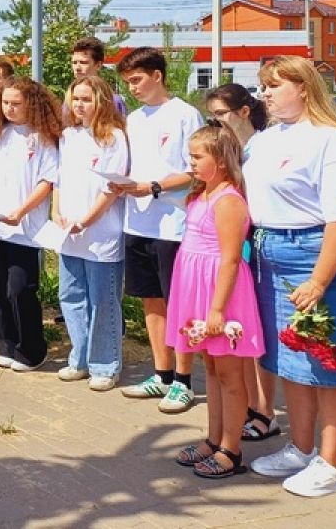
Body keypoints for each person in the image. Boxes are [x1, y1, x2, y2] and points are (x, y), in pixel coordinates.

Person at [244, 55, 336, 498]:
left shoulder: (330, 141)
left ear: (305, 88)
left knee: (325, 359)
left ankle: (333, 464)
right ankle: (300, 446)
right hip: (268, 251)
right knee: (288, 359)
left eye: (275, 85)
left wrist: (318, 280)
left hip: (311, 254)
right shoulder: (267, 138)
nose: (266, 94)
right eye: (263, 86)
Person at [169, 124, 265, 479]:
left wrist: (217, 310)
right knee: (210, 367)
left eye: (197, 156)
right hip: (196, 288)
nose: (190, 163)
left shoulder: (228, 201)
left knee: (229, 373)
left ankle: (231, 448)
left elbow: (229, 258)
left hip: (219, 295)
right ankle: (213, 437)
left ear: (222, 161)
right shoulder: (202, 195)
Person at [114, 47, 203, 412]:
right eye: (127, 82)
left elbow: (197, 169)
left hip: (173, 223)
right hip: (137, 220)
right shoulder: (134, 119)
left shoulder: (185, 115)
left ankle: (184, 381)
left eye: (136, 79)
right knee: (151, 298)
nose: (132, 88)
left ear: (157, 75)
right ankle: (161, 374)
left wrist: (154, 187)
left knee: (178, 303)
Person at [0, 77, 61, 371]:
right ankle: (7, 345)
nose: (9, 108)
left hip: (25, 230)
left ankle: (32, 350)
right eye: (5, 102)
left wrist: (22, 211)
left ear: (31, 104)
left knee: (20, 289)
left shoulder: (44, 138)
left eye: (16, 103)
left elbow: (47, 182)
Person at [206, 83, 277, 443]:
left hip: (258, 240)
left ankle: (266, 410)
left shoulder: (262, 146)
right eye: (212, 115)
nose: (215, 121)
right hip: (237, 240)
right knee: (241, 332)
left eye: (221, 114)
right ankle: (250, 405)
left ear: (244, 112)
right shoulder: (228, 147)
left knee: (256, 332)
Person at [55, 75, 128, 391]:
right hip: (68, 232)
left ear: (101, 100)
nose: (79, 105)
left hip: (101, 232)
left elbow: (111, 189)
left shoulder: (114, 137)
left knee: (102, 300)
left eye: (86, 98)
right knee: (70, 295)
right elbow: (59, 179)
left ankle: (106, 364)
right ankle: (80, 359)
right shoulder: (69, 135)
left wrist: (86, 219)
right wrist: (57, 212)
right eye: (75, 99)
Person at [70, 37, 126, 117]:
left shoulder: (112, 101)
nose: (77, 68)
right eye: (74, 63)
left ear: (98, 65)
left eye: (83, 62)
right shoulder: (69, 99)